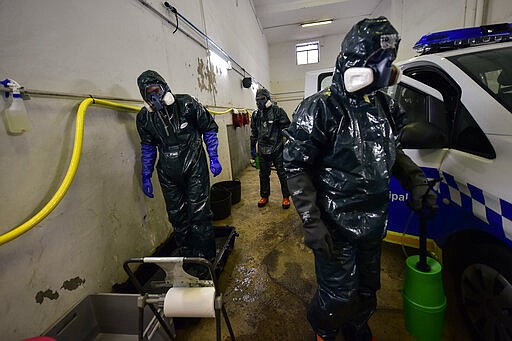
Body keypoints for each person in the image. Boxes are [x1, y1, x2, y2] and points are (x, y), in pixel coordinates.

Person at [283, 17, 436, 341]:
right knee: (338, 296)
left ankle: (356, 328)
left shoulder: (384, 105)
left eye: (389, 61)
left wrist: (416, 180)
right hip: (334, 226)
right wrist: (312, 221)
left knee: (367, 290)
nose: (387, 70)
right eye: (379, 61)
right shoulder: (321, 108)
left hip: (372, 224)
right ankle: (324, 329)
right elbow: (295, 166)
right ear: (356, 62)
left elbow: (391, 154)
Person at [135, 70, 222, 265]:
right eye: (148, 93)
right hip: (167, 172)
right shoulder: (145, 118)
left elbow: (208, 128)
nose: (154, 96)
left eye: (156, 90)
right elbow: (148, 146)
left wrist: (213, 157)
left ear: (164, 87)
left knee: (199, 214)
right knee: (177, 217)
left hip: (194, 167)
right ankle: (188, 257)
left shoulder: (186, 104)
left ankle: (206, 260)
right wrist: (146, 174)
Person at [250, 88, 291, 209]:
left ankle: (286, 197)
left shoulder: (278, 112)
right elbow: (254, 132)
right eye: (257, 100)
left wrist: (288, 146)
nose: (259, 102)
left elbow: (287, 128)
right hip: (262, 150)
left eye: (262, 99)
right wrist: (252, 148)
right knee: (263, 175)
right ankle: (264, 196)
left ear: (268, 99)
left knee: (282, 174)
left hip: (277, 148)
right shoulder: (256, 115)